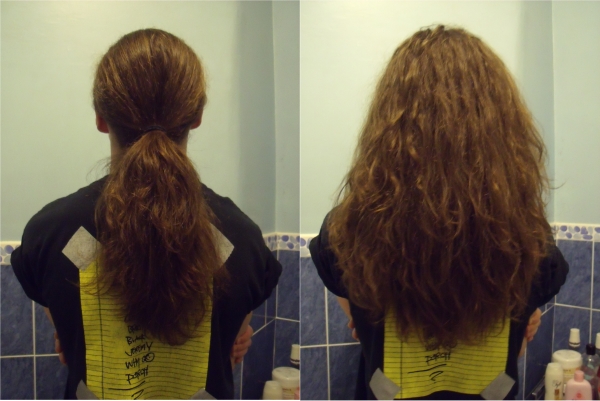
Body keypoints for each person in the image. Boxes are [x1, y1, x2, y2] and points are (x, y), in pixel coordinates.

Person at [10, 29, 281, 400]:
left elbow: (69, 343)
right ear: (197, 117)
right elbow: (230, 350)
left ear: (101, 118)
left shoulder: (49, 235)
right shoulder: (243, 240)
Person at [309, 25, 568, 400]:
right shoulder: (532, 243)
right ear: (503, 127)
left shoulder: (344, 233)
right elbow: (518, 349)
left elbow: (360, 327)